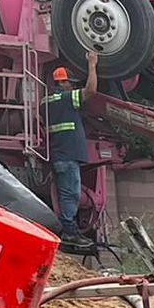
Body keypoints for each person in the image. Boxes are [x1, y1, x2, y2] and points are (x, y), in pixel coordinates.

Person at [44, 52, 97, 235]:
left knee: (66, 193)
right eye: (71, 83)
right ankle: (69, 231)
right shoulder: (66, 99)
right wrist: (92, 65)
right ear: (62, 82)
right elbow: (90, 91)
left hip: (59, 155)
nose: (73, 86)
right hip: (67, 156)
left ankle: (68, 228)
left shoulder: (46, 102)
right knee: (71, 194)